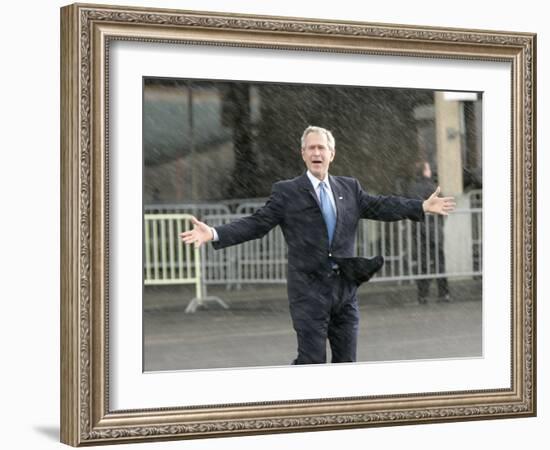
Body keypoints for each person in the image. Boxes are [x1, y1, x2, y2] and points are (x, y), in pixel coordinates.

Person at [180, 126, 455, 365]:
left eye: (321, 148)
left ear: (331, 154)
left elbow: (381, 205)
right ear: (303, 154)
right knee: (311, 362)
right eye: (310, 148)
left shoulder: (349, 188)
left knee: (346, 362)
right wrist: (214, 233)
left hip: (344, 291)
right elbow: (257, 223)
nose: (316, 153)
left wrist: (420, 206)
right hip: (308, 292)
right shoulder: (287, 191)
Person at [408, 161, 451, 304]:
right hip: (433, 229)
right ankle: (443, 293)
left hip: (418, 228)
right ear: (425, 171)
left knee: (422, 262)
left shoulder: (412, 187)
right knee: (439, 261)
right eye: (428, 168)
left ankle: (422, 295)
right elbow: (443, 203)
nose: (430, 170)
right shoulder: (431, 186)